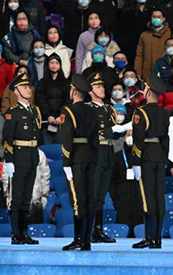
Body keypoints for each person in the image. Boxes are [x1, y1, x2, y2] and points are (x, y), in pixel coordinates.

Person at [87, 72, 130, 243]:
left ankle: (98, 230)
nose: (102, 89)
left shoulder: (109, 109)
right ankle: (89, 230)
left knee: (101, 196)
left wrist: (121, 133)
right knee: (93, 193)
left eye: (103, 86)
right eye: (98, 86)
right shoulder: (88, 109)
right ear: (90, 90)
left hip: (108, 153)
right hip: (95, 152)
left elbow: (114, 133)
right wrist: (113, 131)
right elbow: (91, 131)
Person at [130, 75, 172, 250]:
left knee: (147, 199)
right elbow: (165, 139)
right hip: (159, 156)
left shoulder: (141, 112)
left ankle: (149, 237)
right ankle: (157, 238)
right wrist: (164, 158)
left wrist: (135, 161)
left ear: (147, 91)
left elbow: (138, 139)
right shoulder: (164, 112)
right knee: (158, 198)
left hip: (146, 156)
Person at [60, 74, 98, 251]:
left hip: (76, 158)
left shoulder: (68, 111)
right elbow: (96, 139)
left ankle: (78, 240)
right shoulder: (92, 111)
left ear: (73, 91)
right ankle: (87, 240)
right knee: (89, 200)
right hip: (90, 156)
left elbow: (67, 139)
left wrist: (66, 162)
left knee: (77, 200)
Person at [1, 72, 41, 245]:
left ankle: (24, 232)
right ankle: (16, 233)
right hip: (18, 157)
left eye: (29, 86)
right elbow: (7, 138)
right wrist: (9, 160)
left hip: (31, 156)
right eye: (24, 87)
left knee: (26, 198)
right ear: (16, 91)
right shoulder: (12, 112)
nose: (28, 89)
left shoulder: (34, 110)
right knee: (16, 197)